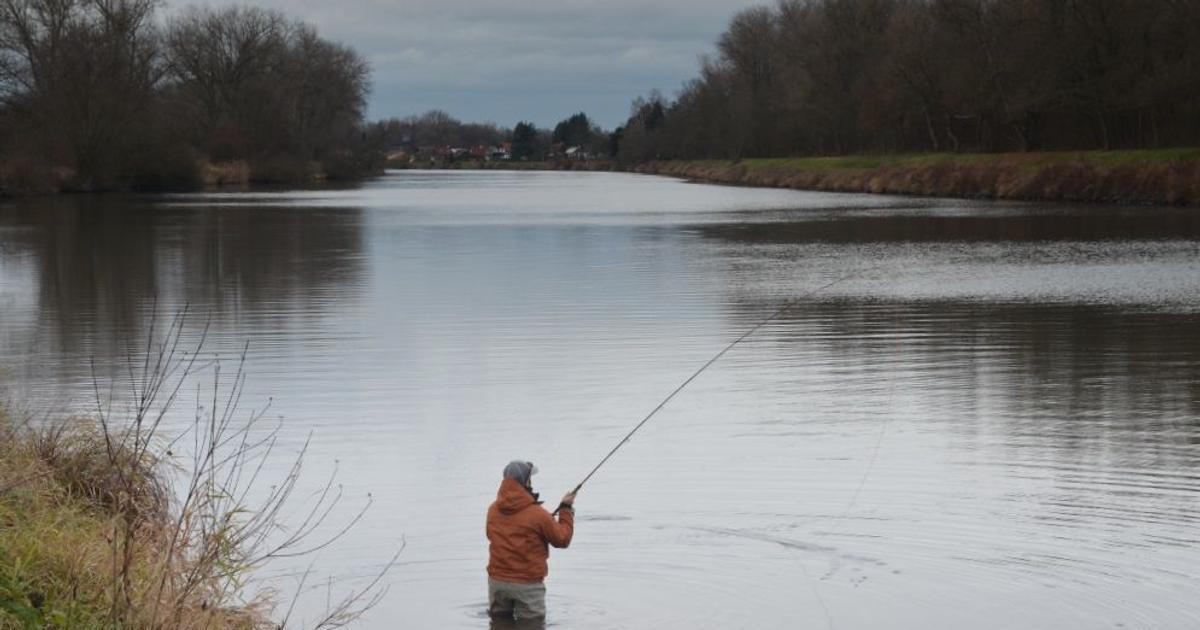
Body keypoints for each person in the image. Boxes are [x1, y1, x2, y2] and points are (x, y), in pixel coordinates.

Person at [486, 460, 576, 622]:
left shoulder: (493, 510)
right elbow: (562, 540)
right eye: (530, 478)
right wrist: (566, 510)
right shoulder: (538, 515)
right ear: (525, 482)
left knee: (499, 622)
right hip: (527, 585)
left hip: (497, 583)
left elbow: (493, 534)